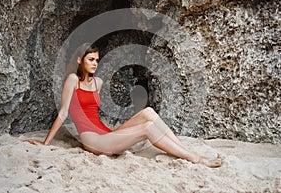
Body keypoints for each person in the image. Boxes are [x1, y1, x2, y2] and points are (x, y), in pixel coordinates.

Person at [26, 43, 221, 168]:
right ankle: (195, 159)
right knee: (147, 128)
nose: (95, 63)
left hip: (106, 133)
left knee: (149, 113)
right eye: (90, 59)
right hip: (93, 140)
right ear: (80, 60)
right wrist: (45, 143)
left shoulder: (98, 83)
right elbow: (63, 112)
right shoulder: (72, 80)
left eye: (97, 59)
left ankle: (190, 153)